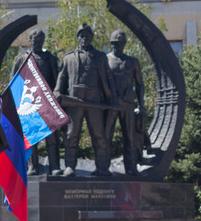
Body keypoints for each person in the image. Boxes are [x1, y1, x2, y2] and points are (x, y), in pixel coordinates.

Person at [54, 23, 118, 177]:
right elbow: (62, 77)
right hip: (74, 102)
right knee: (71, 135)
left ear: (91, 38)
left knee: (99, 135)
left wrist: (113, 98)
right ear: (78, 38)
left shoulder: (100, 57)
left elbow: (108, 78)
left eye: (87, 36)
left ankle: (101, 167)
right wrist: (57, 91)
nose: (84, 38)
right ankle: (70, 166)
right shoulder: (69, 57)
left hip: (95, 102)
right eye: (81, 36)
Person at [11, 29, 61, 175]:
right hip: (29, 105)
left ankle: (54, 166)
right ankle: (33, 167)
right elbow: (14, 83)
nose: (37, 43)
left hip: (47, 105)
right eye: (35, 40)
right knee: (32, 137)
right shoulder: (21, 59)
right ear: (30, 41)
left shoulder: (50, 59)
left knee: (52, 138)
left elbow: (57, 80)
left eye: (40, 40)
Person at [105, 29, 145, 175]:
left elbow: (139, 84)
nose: (118, 46)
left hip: (128, 104)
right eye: (116, 44)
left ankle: (131, 167)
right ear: (111, 44)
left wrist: (141, 105)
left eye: (121, 43)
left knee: (130, 137)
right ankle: (103, 168)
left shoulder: (132, 62)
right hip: (111, 105)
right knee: (106, 136)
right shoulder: (105, 60)